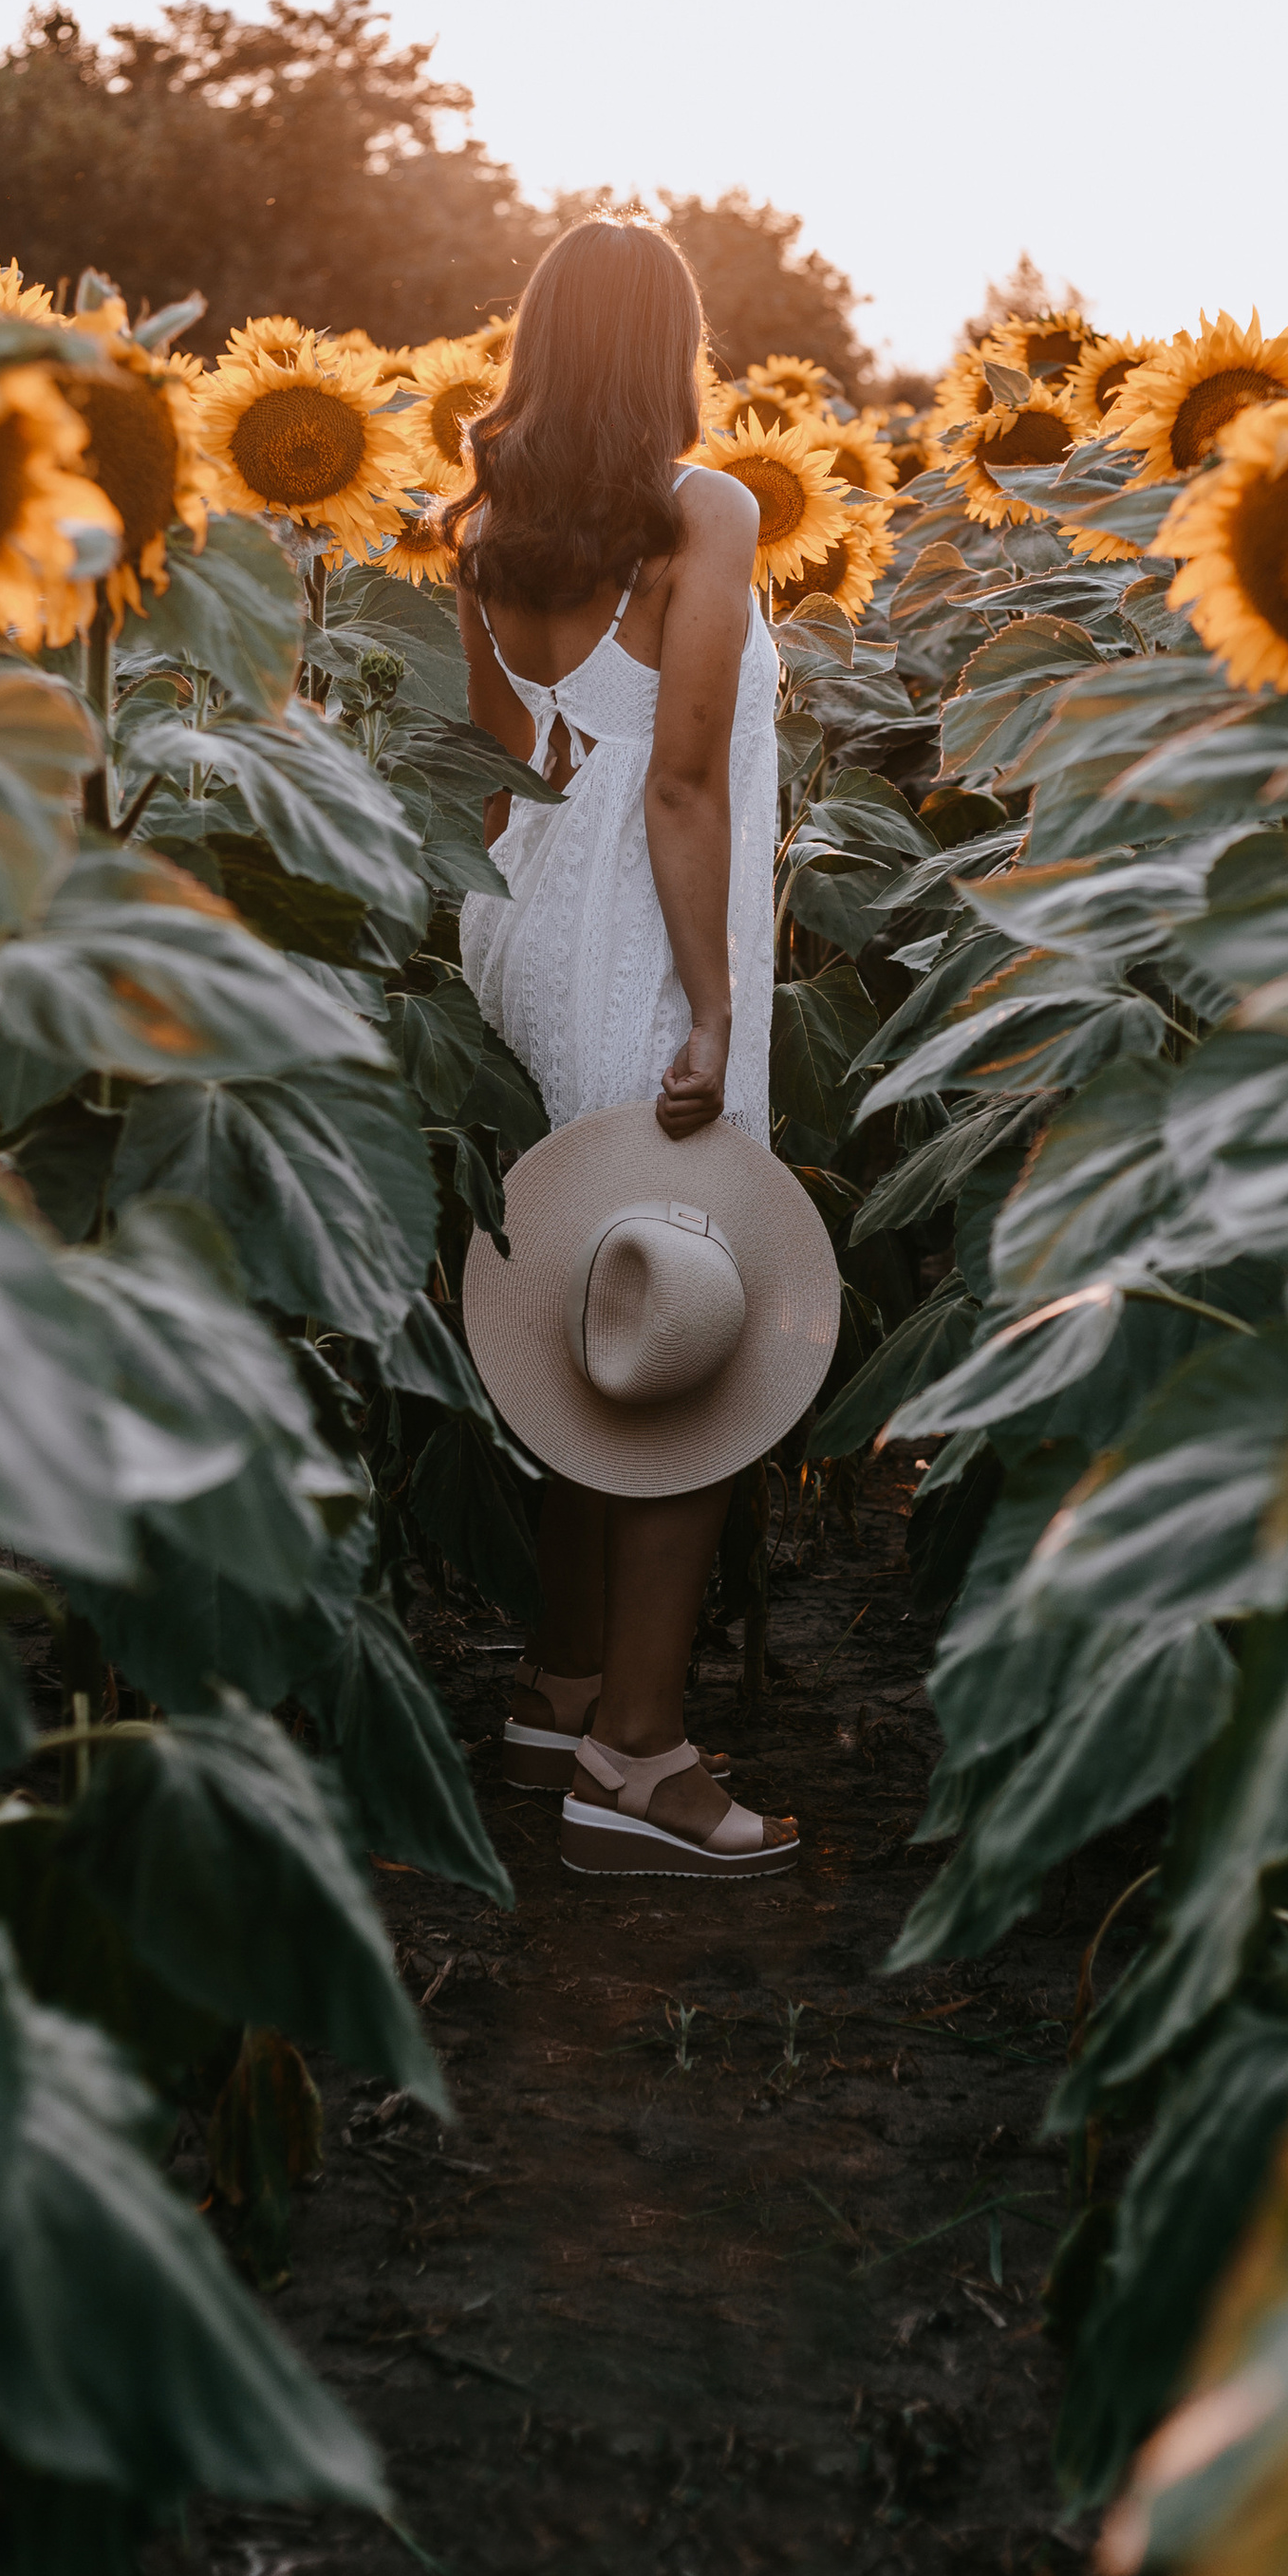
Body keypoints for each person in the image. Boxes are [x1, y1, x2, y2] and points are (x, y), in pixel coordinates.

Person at [451, 217, 803, 1876]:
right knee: (685, 1334)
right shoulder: (707, 511)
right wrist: (716, 1000)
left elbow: (504, 749)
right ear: (670, 347)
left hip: (522, 927)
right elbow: (681, 776)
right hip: (647, 937)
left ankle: (559, 1680)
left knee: (588, 1305)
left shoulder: (487, 520)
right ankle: (638, 1762)